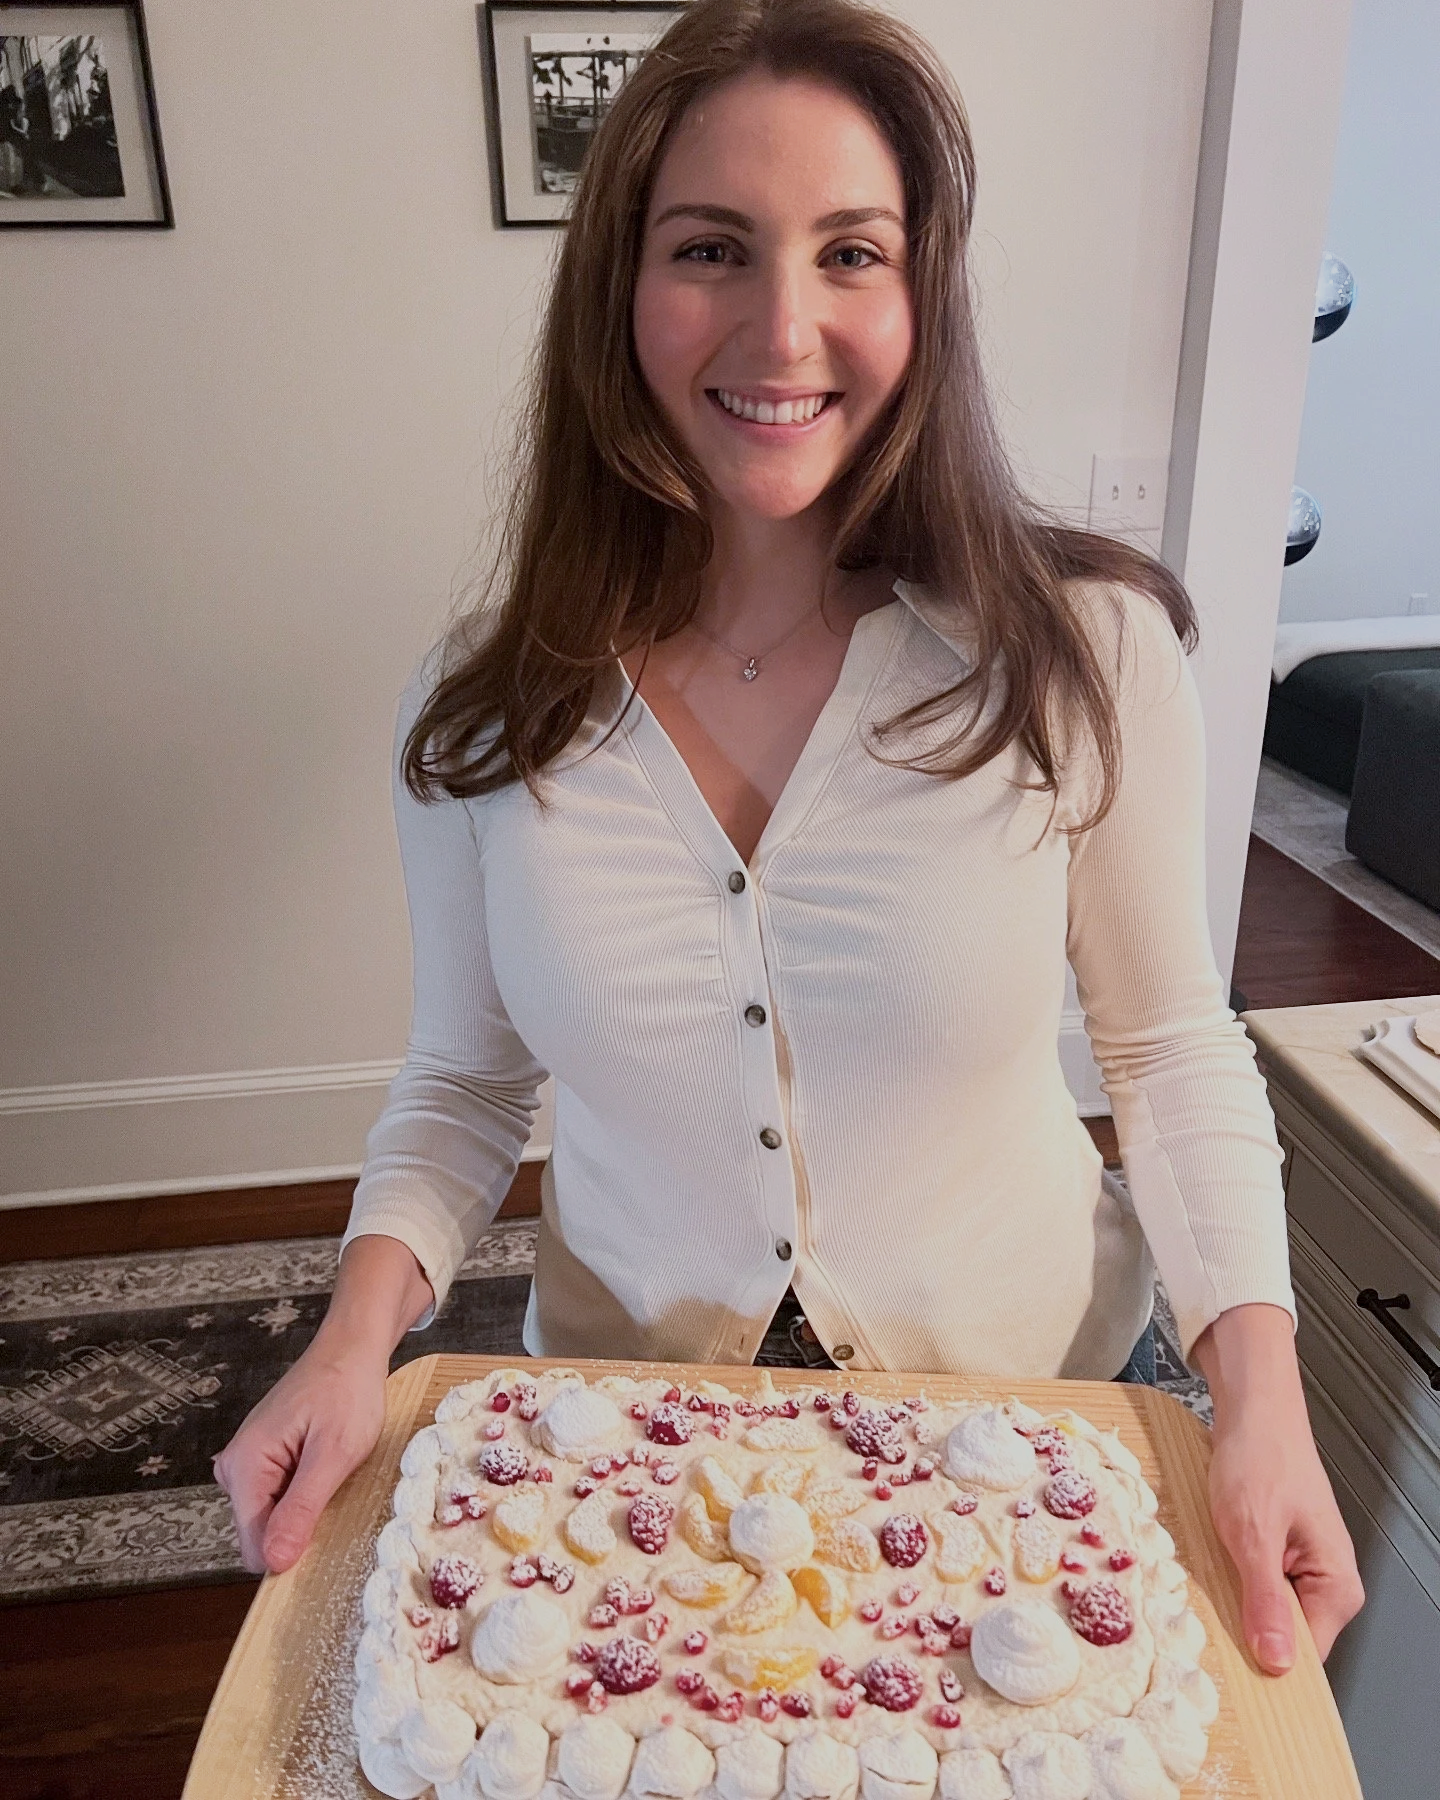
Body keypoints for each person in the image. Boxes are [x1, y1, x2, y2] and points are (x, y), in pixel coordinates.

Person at [214, 0, 1362, 1680]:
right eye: (711, 249)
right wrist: (346, 1345)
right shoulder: (486, 710)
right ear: (621, 286)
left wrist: (1264, 1402)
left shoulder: (1081, 656)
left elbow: (1172, 1049)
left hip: (1029, 1430)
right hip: (630, 1454)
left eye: (851, 253)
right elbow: (462, 1081)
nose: (782, 326)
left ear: (923, 292)